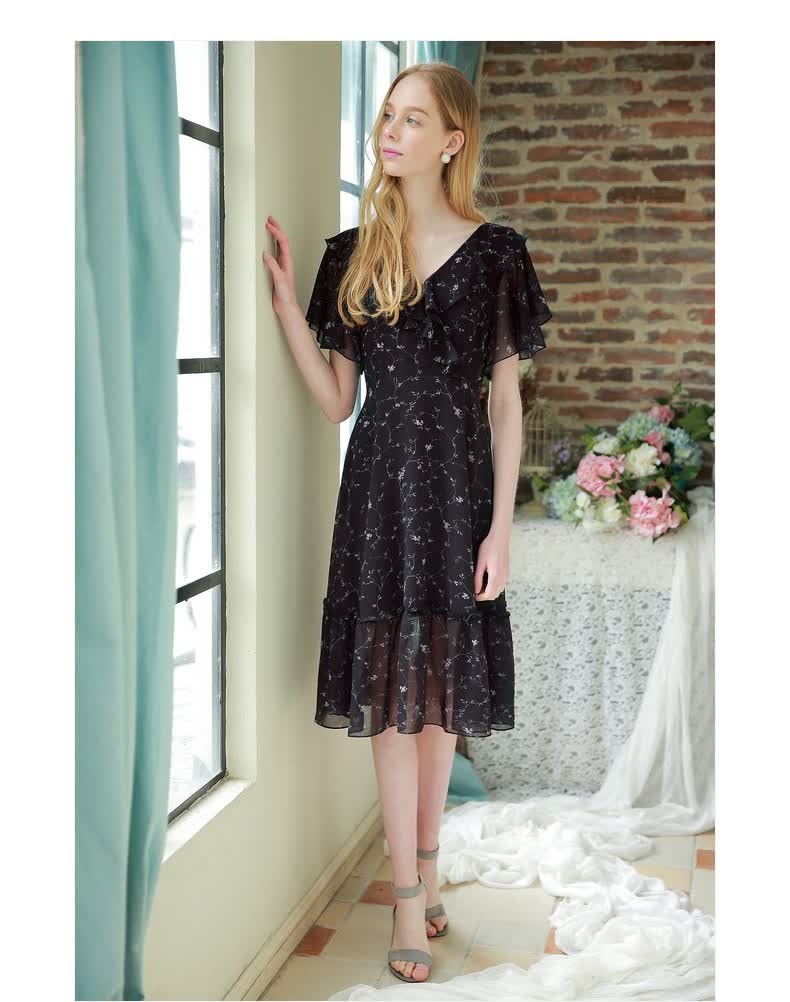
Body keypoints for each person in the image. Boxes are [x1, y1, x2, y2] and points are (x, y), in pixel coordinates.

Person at [261, 61, 551, 984]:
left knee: (437, 705)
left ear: (453, 141)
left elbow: (504, 405)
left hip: (459, 498)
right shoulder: (353, 254)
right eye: (387, 115)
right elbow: (337, 401)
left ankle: (426, 872)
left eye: (412, 119)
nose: (390, 132)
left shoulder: (497, 253)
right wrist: (287, 309)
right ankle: (406, 899)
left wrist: (501, 530)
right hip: (379, 499)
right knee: (393, 710)